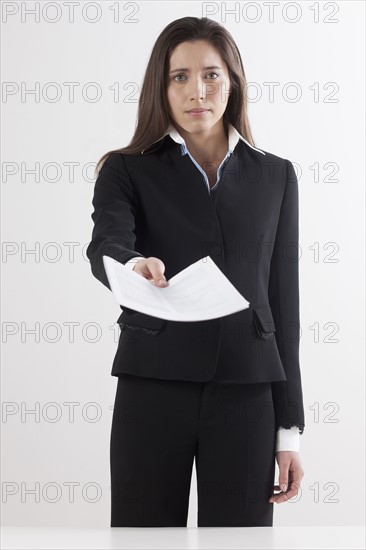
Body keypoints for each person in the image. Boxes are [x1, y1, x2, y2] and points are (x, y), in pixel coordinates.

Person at [86, 16, 305, 528]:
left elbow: (283, 302)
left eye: (211, 74)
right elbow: (107, 243)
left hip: (248, 390)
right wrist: (133, 264)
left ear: (233, 82)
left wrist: (289, 429)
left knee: (241, 541)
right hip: (152, 384)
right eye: (178, 76)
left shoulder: (276, 175)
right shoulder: (126, 169)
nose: (197, 91)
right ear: (161, 88)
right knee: (142, 537)